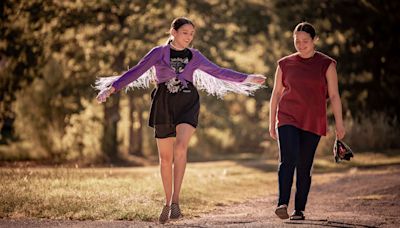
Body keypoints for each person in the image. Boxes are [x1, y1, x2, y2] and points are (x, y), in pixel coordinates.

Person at [95, 17, 265, 224]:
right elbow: (136, 71)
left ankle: (176, 200)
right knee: (165, 159)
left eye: (192, 34)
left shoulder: (195, 56)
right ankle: (167, 202)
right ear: (173, 32)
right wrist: (112, 88)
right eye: (185, 32)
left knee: (181, 148)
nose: (189, 37)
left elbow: (218, 71)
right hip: (163, 105)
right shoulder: (158, 53)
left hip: (187, 103)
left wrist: (247, 78)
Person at [269, 22, 345, 220]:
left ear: (314, 40)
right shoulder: (284, 64)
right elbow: (276, 94)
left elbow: (335, 96)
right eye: (297, 41)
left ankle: (299, 209)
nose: (301, 45)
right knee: (288, 159)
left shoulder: (327, 64)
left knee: (304, 165)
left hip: (313, 119)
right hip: (287, 117)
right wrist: (271, 122)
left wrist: (339, 124)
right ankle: (282, 203)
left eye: (305, 41)